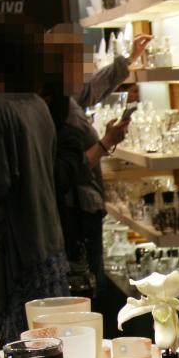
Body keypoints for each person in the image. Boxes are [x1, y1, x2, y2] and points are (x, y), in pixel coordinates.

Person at [0, 20, 69, 344]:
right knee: (46, 340)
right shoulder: (38, 105)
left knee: (9, 341)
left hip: (11, 247)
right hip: (46, 242)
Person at [44, 25, 149, 317]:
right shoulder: (53, 106)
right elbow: (68, 170)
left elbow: (90, 90)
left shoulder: (62, 96)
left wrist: (128, 60)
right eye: (80, 57)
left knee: (88, 286)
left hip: (81, 210)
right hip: (74, 214)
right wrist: (106, 142)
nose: (86, 64)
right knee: (86, 290)